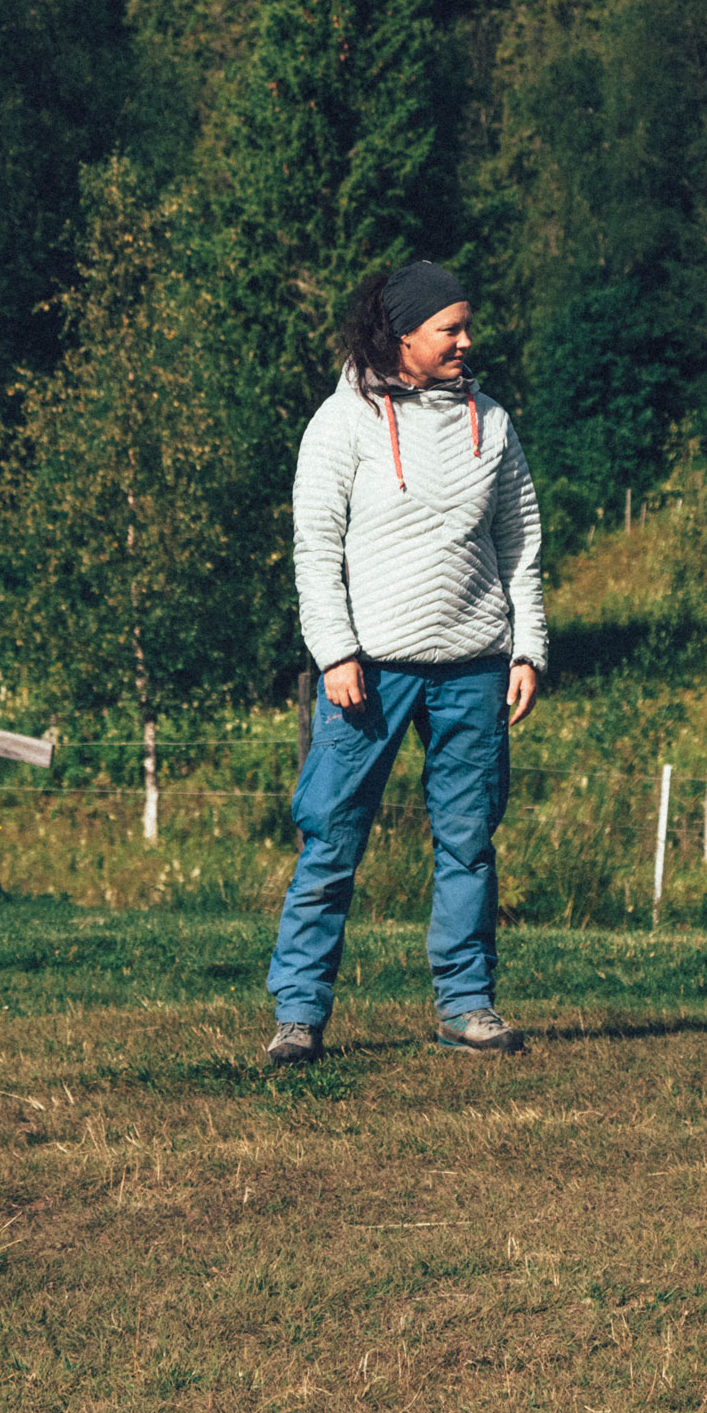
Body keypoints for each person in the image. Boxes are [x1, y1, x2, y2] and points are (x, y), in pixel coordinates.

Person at [264, 260, 548, 1065]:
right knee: (330, 839)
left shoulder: (490, 422)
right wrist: (335, 652)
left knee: (468, 840)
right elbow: (315, 549)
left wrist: (528, 646)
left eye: (467, 324)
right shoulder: (341, 422)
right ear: (402, 336)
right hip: (371, 672)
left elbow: (519, 542)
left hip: (475, 667)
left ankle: (467, 1005)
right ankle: (299, 1014)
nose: (467, 339)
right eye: (450, 328)